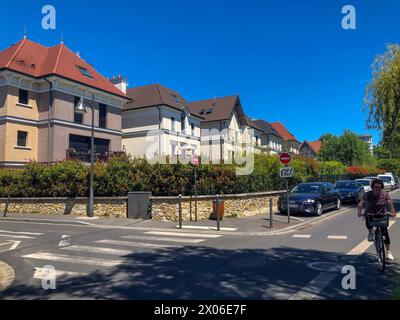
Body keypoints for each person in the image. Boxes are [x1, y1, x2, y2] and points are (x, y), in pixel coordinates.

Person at [358, 179, 397, 261]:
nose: (378, 188)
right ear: (373, 187)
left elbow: (390, 203)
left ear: (382, 187)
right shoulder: (368, 194)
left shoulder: (385, 194)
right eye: (376, 187)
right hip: (371, 214)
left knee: (385, 232)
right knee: (367, 218)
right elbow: (361, 203)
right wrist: (359, 211)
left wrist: (393, 212)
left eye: (379, 187)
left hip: (381, 214)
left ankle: (389, 252)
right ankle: (370, 232)